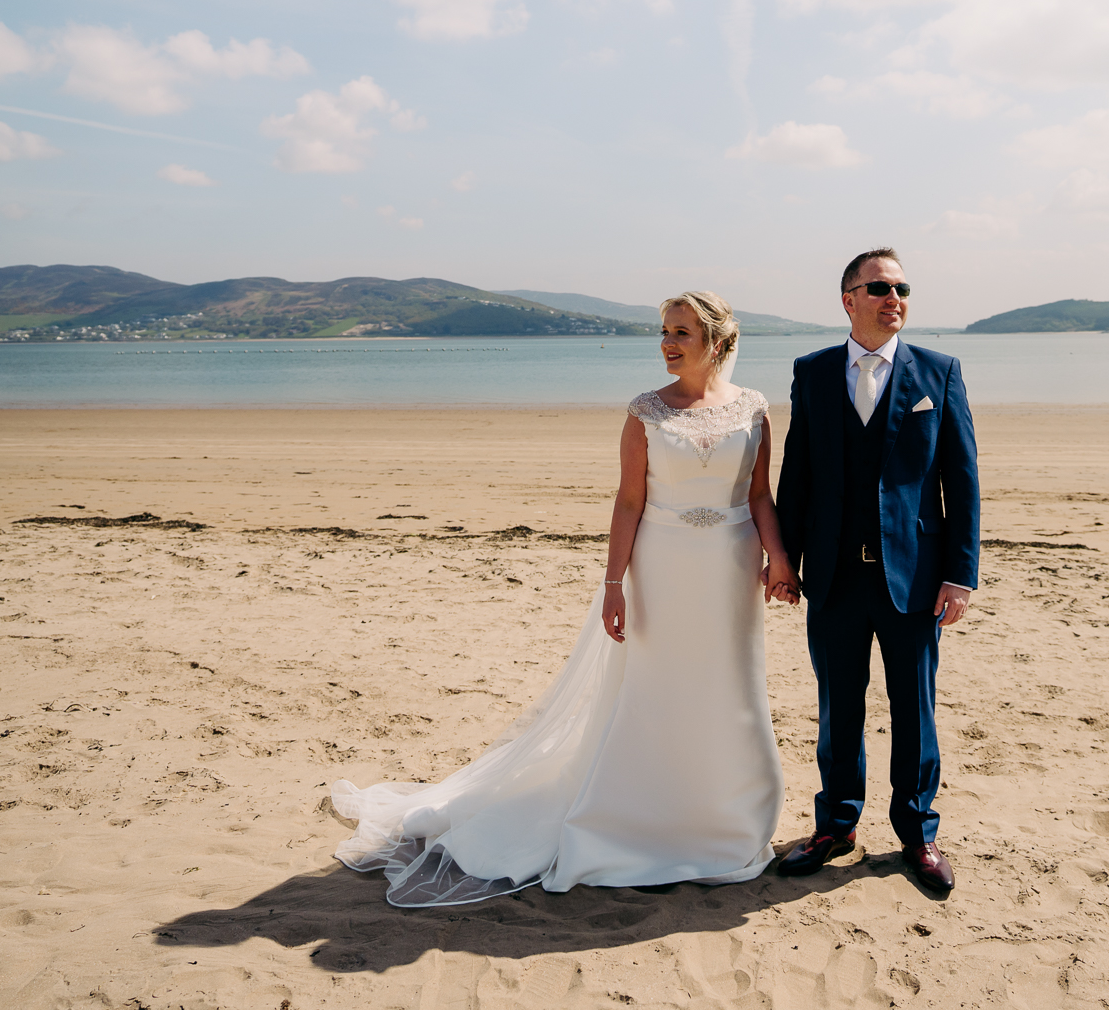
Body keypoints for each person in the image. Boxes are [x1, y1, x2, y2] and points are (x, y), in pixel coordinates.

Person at [328, 291, 791, 905]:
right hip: (662, 566)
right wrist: (612, 585)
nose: (668, 343)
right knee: (654, 688)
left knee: (727, 687)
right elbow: (629, 503)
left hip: (732, 566)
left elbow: (760, 495)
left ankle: (724, 821)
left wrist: (779, 558)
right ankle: (637, 818)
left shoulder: (753, 408)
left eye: (682, 332)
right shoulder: (645, 411)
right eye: (663, 331)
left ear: (717, 342)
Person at [768, 248, 980, 895]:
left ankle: (918, 833)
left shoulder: (939, 373)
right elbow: (796, 476)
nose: (896, 297)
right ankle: (836, 826)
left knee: (914, 709)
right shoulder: (813, 372)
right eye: (881, 287)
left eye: (903, 288)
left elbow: (961, 481)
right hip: (832, 575)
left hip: (913, 579)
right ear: (849, 299)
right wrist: (785, 562)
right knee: (839, 709)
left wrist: (960, 574)